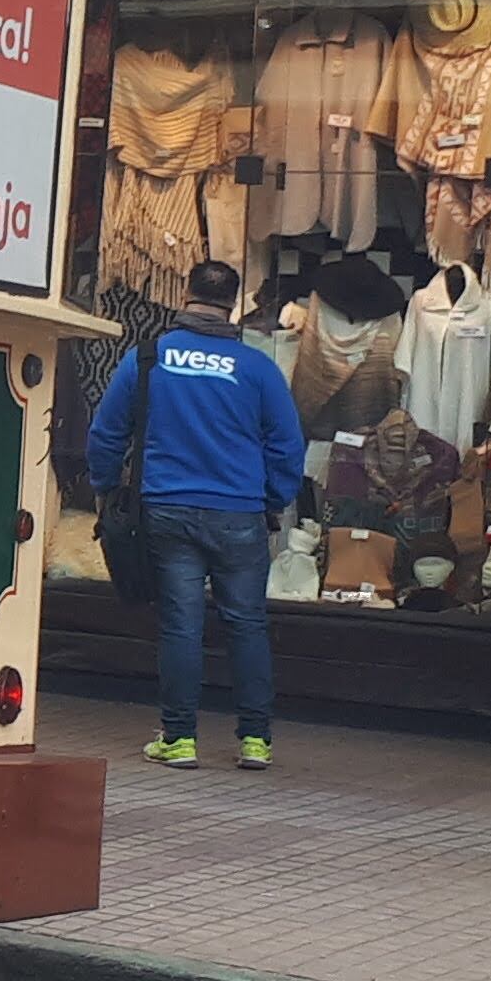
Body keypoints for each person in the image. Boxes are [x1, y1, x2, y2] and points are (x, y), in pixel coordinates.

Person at [89, 257, 308, 770]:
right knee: (247, 624)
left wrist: (104, 489)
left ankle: (180, 738)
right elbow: (287, 445)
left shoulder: (148, 358)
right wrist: (273, 499)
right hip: (239, 515)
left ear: (186, 293)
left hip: (167, 511)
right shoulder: (257, 367)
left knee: (181, 626)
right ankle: (255, 740)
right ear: (233, 303)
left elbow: (106, 433)